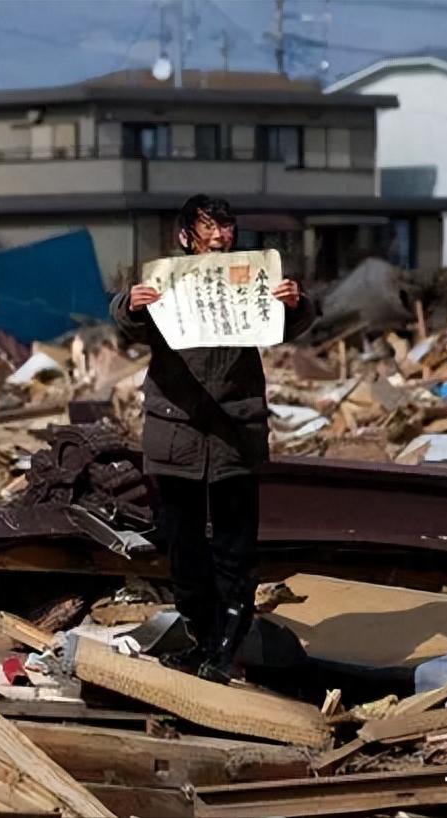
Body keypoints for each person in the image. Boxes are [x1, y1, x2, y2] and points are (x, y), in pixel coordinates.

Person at [110, 194, 316, 683]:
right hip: (175, 427)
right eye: (209, 229)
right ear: (186, 237)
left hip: (234, 431)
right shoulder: (165, 281)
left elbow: (290, 325)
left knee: (234, 549)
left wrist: (296, 303)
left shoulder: (253, 277)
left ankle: (225, 651)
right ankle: (201, 637)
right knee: (181, 545)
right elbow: (124, 319)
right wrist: (130, 304)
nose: (221, 237)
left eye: (227, 228)